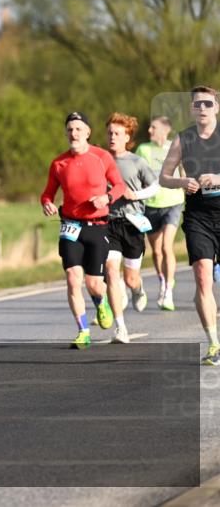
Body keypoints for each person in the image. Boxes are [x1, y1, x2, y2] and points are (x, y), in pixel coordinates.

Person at [41, 111, 127, 349]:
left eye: (78, 129)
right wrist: (47, 203)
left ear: (88, 132)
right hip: (70, 226)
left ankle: (101, 301)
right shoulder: (59, 163)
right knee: (72, 278)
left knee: (94, 284)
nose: (74, 133)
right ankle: (83, 331)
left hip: (97, 226)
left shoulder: (101, 157)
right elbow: (47, 193)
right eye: (70, 129)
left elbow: (119, 186)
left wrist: (106, 198)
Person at [159, 86, 220, 366]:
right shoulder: (183, 139)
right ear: (192, 109)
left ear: (216, 107)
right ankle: (213, 343)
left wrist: (217, 178)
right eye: (198, 104)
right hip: (198, 216)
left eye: (208, 103)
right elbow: (164, 177)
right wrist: (183, 182)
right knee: (202, 277)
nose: (203, 108)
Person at [103, 113, 159, 344]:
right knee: (110, 271)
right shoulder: (101, 160)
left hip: (133, 223)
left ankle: (137, 289)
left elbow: (155, 186)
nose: (112, 137)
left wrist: (136, 195)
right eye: (109, 133)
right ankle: (121, 328)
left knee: (130, 278)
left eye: (117, 133)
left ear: (127, 137)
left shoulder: (137, 162)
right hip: (109, 223)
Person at [135, 116, 186, 310]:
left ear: (165, 130)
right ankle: (163, 280)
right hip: (150, 204)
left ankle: (168, 291)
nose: (149, 130)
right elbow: (136, 174)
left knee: (166, 246)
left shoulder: (175, 147)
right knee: (156, 251)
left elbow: (184, 170)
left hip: (173, 202)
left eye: (153, 127)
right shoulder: (143, 149)